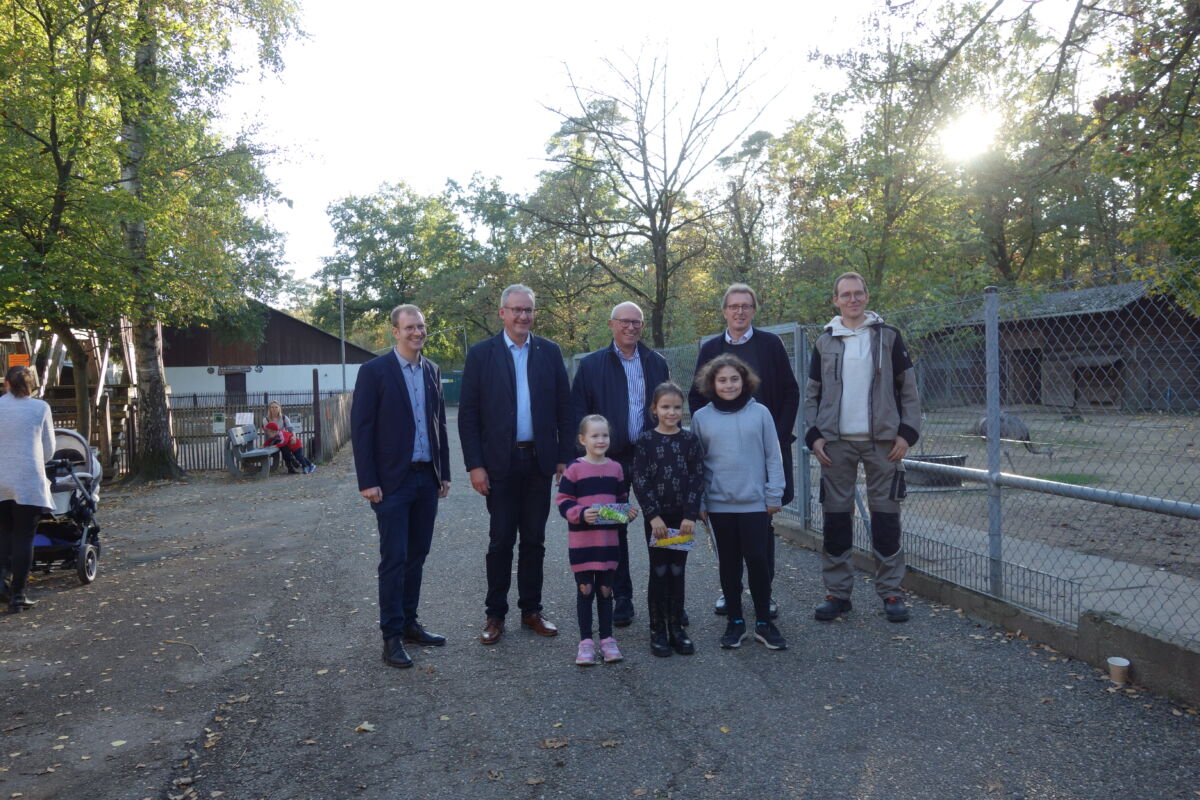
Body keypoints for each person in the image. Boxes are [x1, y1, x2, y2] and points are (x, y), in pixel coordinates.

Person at [459, 284, 575, 645]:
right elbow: (469, 416)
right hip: (500, 465)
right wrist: (475, 466)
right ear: (502, 313)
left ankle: (532, 610)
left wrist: (563, 458)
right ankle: (495, 615)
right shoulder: (481, 355)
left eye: (529, 310)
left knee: (535, 541)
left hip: (539, 462)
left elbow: (564, 409)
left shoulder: (549, 352)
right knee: (500, 541)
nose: (523, 316)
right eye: (516, 310)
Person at [804, 271, 922, 624]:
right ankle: (837, 594)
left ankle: (891, 591)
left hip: (884, 444)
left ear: (867, 297)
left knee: (886, 518)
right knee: (836, 520)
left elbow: (909, 391)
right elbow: (812, 394)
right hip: (836, 445)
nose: (852, 299)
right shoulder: (825, 342)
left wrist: (907, 434)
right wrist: (814, 436)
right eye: (845, 294)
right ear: (835, 300)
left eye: (858, 293)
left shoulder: (888, 337)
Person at [688, 283, 800, 620]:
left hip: (764, 454)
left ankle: (765, 595)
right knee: (726, 533)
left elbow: (791, 392)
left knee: (762, 527)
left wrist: (776, 439)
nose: (739, 311)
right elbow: (696, 398)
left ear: (754, 310)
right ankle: (730, 591)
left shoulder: (770, 345)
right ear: (724, 311)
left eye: (746, 306)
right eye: (733, 306)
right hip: (723, 461)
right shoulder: (710, 348)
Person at [351, 304, 452, 668]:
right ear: (395, 331)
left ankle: (410, 623)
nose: (416, 332)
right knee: (393, 560)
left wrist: (444, 472)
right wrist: (368, 481)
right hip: (391, 483)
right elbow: (361, 430)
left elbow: (439, 424)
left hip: (427, 479)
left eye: (421, 326)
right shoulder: (374, 371)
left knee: (417, 556)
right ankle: (390, 636)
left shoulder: (432, 371)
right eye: (409, 327)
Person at [570, 301, 670, 626]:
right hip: (608, 463)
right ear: (612, 324)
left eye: (636, 323)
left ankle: (667, 595)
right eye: (624, 322)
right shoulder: (591, 365)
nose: (631, 328)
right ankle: (621, 596)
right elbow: (578, 413)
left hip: (650, 459)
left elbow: (667, 407)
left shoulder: (657, 363)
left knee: (662, 524)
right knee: (612, 528)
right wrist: (586, 459)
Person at [691, 354, 788, 651]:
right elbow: (697, 464)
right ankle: (735, 621)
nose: (729, 384)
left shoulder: (760, 413)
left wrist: (774, 494)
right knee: (729, 565)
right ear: (712, 383)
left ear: (744, 380)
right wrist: (701, 501)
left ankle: (762, 622)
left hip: (755, 504)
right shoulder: (701, 418)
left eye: (734, 379)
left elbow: (774, 454)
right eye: (722, 380)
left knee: (758, 560)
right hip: (719, 504)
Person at [556, 415, 638, 665]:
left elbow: (621, 499)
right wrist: (580, 513)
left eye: (605, 435)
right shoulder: (574, 469)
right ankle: (586, 642)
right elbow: (563, 502)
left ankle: (607, 639)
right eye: (595, 436)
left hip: (608, 545)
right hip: (582, 546)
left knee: (605, 591)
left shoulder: (615, 468)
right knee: (586, 591)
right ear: (582, 440)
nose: (600, 440)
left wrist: (627, 512)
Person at [632, 382, 704, 657]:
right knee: (659, 571)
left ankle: (676, 627)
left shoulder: (689, 441)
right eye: (665, 407)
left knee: (677, 570)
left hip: (681, 519)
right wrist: (653, 516)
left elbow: (698, 477)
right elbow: (640, 481)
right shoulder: (646, 441)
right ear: (654, 409)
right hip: (657, 520)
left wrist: (690, 515)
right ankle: (657, 628)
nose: (671, 412)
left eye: (676, 407)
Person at [0, 366, 55, 612]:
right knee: (24, 537)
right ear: (31, 384)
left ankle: (2, 586)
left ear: (6, 384)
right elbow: (49, 448)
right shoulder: (40, 408)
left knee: (3, 535)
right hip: (28, 480)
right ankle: (18, 597)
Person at [261, 401, 314, 474]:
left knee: (285, 448)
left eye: (276, 407)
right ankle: (292, 464)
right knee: (284, 448)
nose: (274, 409)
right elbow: (267, 432)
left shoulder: (283, 417)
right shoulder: (266, 419)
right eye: (272, 407)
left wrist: (294, 436)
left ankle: (291, 467)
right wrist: (266, 444)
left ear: (279, 408)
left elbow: (290, 428)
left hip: (282, 437)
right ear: (269, 409)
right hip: (273, 439)